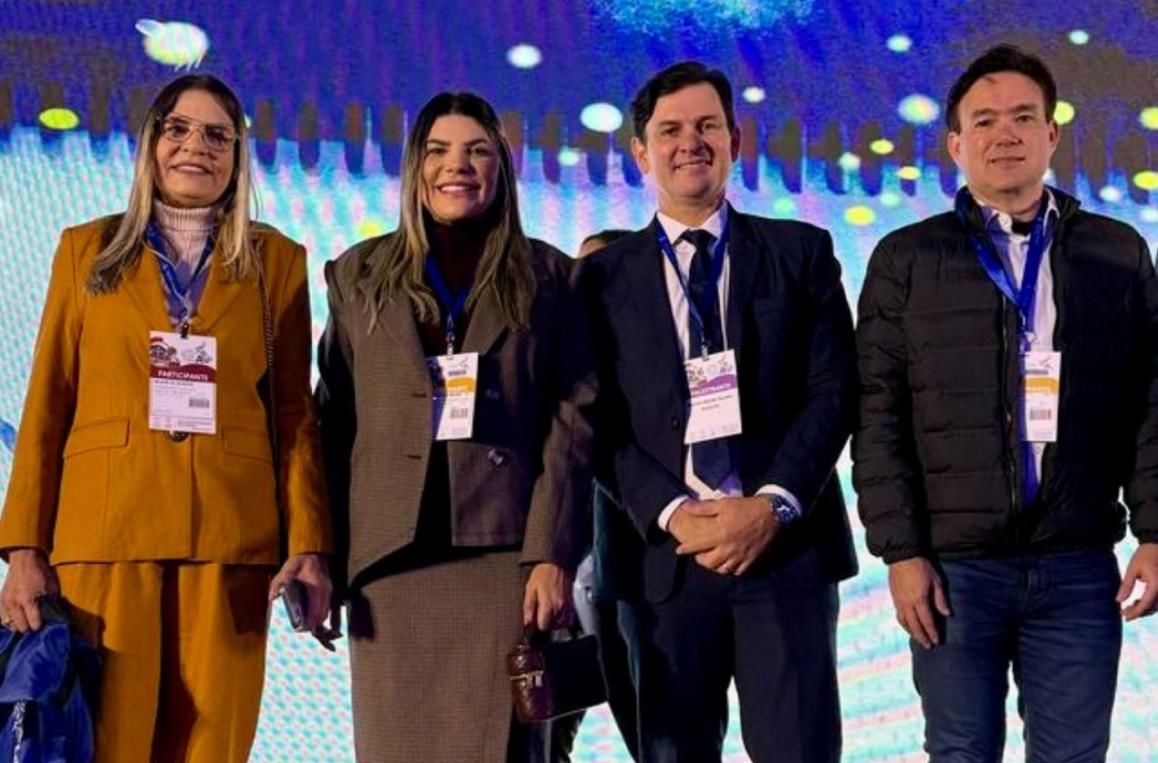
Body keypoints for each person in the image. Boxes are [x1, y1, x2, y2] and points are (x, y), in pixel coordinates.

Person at [0, 73, 332, 763]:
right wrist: (24, 549)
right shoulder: (84, 250)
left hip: (230, 543)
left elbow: (293, 417)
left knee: (212, 747)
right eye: (178, 129)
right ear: (151, 142)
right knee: (107, 745)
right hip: (104, 537)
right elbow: (47, 403)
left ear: (237, 156)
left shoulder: (277, 262)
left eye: (217, 135)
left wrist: (309, 542)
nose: (195, 147)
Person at [854, 44, 1158, 763]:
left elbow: (1150, 402)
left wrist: (1155, 530)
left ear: (1051, 133)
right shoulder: (906, 259)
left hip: (1078, 564)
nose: (1005, 134)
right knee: (961, 752)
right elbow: (878, 414)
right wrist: (902, 552)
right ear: (956, 144)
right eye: (984, 121)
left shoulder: (1115, 251)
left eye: (1023, 117)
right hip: (955, 570)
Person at [583, 61, 858, 763]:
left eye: (707, 126)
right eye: (669, 130)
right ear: (641, 152)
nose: (690, 143)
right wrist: (674, 511)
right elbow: (593, 418)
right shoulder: (599, 279)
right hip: (662, 563)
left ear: (735, 140)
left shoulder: (800, 252)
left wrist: (772, 505)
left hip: (784, 554)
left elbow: (834, 389)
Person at [316, 91, 597, 763]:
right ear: (416, 166)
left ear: (501, 166)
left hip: (505, 560)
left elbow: (573, 426)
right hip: (388, 564)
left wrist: (552, 553)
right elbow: (332, 423)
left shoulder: (550, 276)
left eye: (477, 151)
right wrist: (320, 555)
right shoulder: (357, 274)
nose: (457, 166)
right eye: (439, 150)